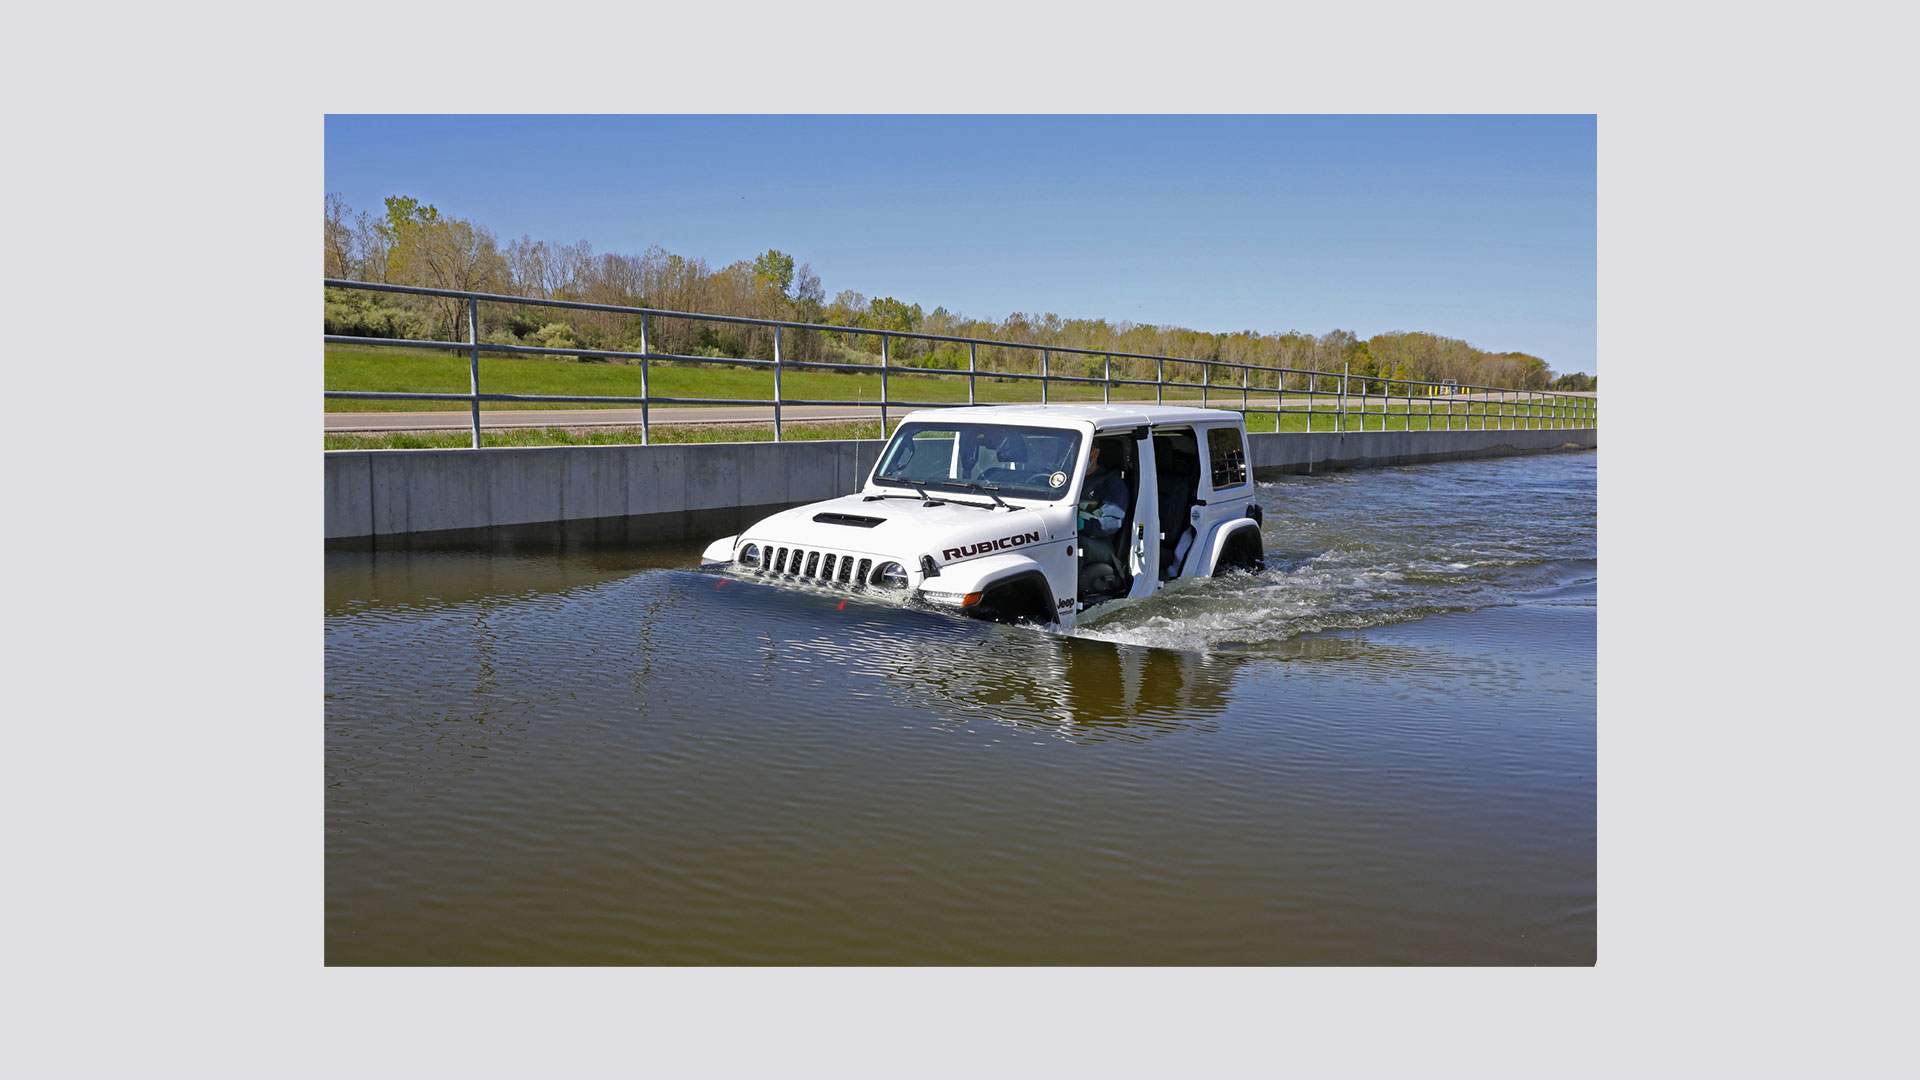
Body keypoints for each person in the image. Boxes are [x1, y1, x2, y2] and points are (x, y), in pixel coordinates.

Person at [1077, 442, 1129, 593]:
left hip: (1099, 542)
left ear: (1095, 454)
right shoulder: (1066, 480)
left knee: (1074, 543)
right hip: (1070, 533)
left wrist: (1083, 525)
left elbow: (1113, 523)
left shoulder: (1112, 484)